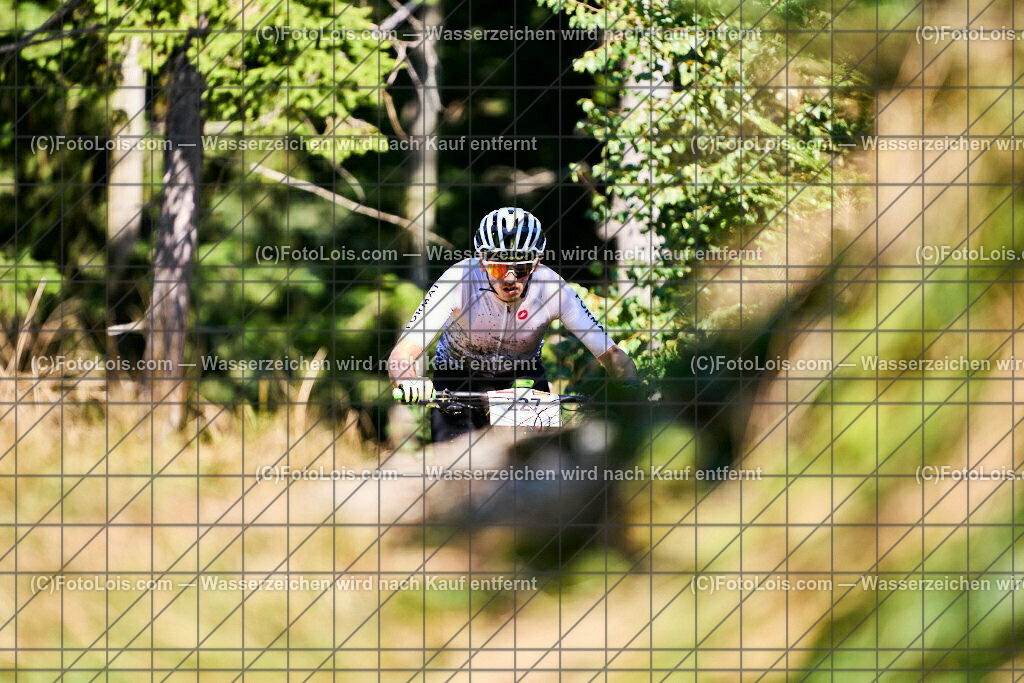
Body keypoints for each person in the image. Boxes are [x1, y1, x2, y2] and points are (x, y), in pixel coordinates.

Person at [388, 207, 639, 443]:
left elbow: (611, 354)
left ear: (537, 263)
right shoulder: (457, 280)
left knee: (538, 464)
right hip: (457, 374)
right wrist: (407, 380)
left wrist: (630, 390)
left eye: (521, 268)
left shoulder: (553, 289)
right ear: (481, 261)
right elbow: (403, 353)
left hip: (522, 376)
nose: (510, 278)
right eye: (498, 266)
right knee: (456, 467)